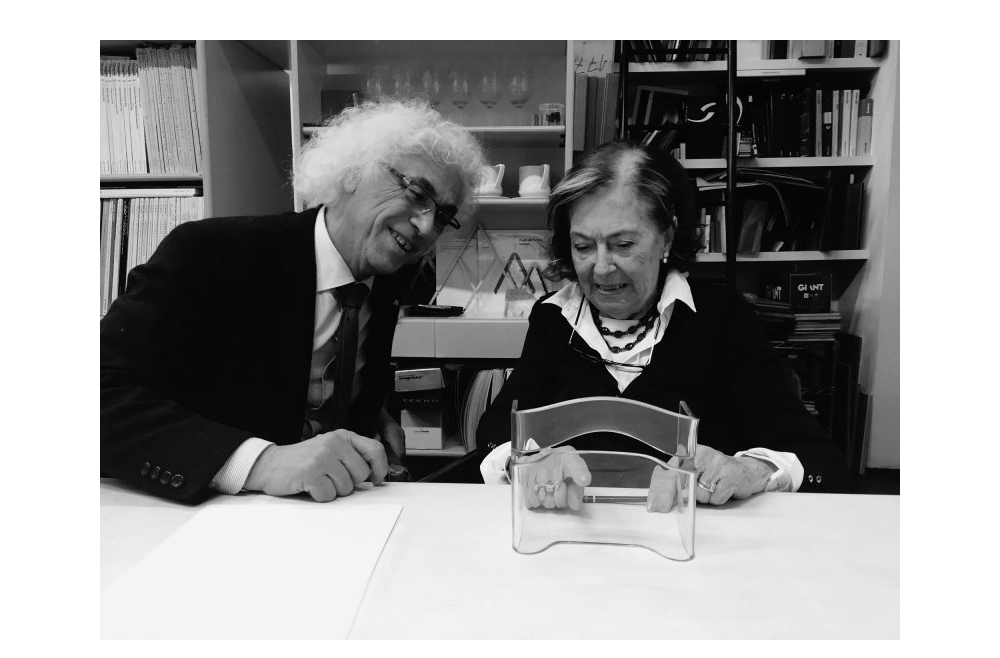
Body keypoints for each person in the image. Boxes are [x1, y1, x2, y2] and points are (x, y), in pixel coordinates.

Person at [102, 100, 486, 504]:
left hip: (335, 510)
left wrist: (364, 409)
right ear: (354, 171)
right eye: (416, 193)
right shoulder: (210, 253)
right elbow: (101, 394)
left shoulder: (390, 275)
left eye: (442, 216)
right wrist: (261, 462)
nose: (426, 226)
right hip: (205, 515)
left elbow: (301, 374)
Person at [477, 141, 846, 508]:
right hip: (574, 532)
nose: (601, 268)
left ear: (666, 236)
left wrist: (749, 469)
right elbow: (495, 432)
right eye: (583, 246)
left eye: (623, 244)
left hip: (695, 535)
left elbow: (813, 454)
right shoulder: (553, 317)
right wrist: (528, 461)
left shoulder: (722, 318)